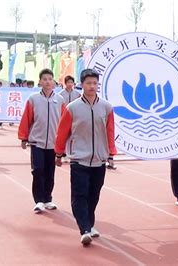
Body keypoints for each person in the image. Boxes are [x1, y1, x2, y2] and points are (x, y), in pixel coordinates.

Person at [55, 69, 116, 246]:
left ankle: (89, 223)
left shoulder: (106, 107)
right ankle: (84, 229)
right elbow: (62, 132)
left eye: (95, 83)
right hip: (79, 159)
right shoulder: (72, 108)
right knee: (79, 195)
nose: (92, 86)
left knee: (93, 195)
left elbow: (110, 132)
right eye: (89, 83)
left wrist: (111, 153)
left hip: (99, 160)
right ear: (82, 85)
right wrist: (59, 153)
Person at [18, 69, 66, 214]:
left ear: (54, 82)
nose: (47, 81)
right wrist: (24, 137)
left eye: (50, 79)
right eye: (44, 79)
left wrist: (64, 142)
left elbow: (64, 123)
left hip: (53, 143)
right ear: (40, 81)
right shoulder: (33, 99)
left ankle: (47, 198)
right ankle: (39, 200)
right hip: (37, 142)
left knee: (50, 172)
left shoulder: (60, 100)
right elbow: (27, 118)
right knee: (38, 170)